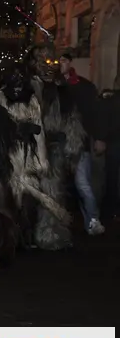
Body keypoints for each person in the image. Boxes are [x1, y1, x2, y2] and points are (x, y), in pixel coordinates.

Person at [58, 52, 105, 235]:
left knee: (82, 183)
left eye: (62, 60)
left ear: (69, 62)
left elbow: (95, 113)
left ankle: (93, 220)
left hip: (78, 142)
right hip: (55, 144)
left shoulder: (84, 86)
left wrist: (99, 137)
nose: (58, 64)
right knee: (58, 185)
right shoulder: (52, 87)